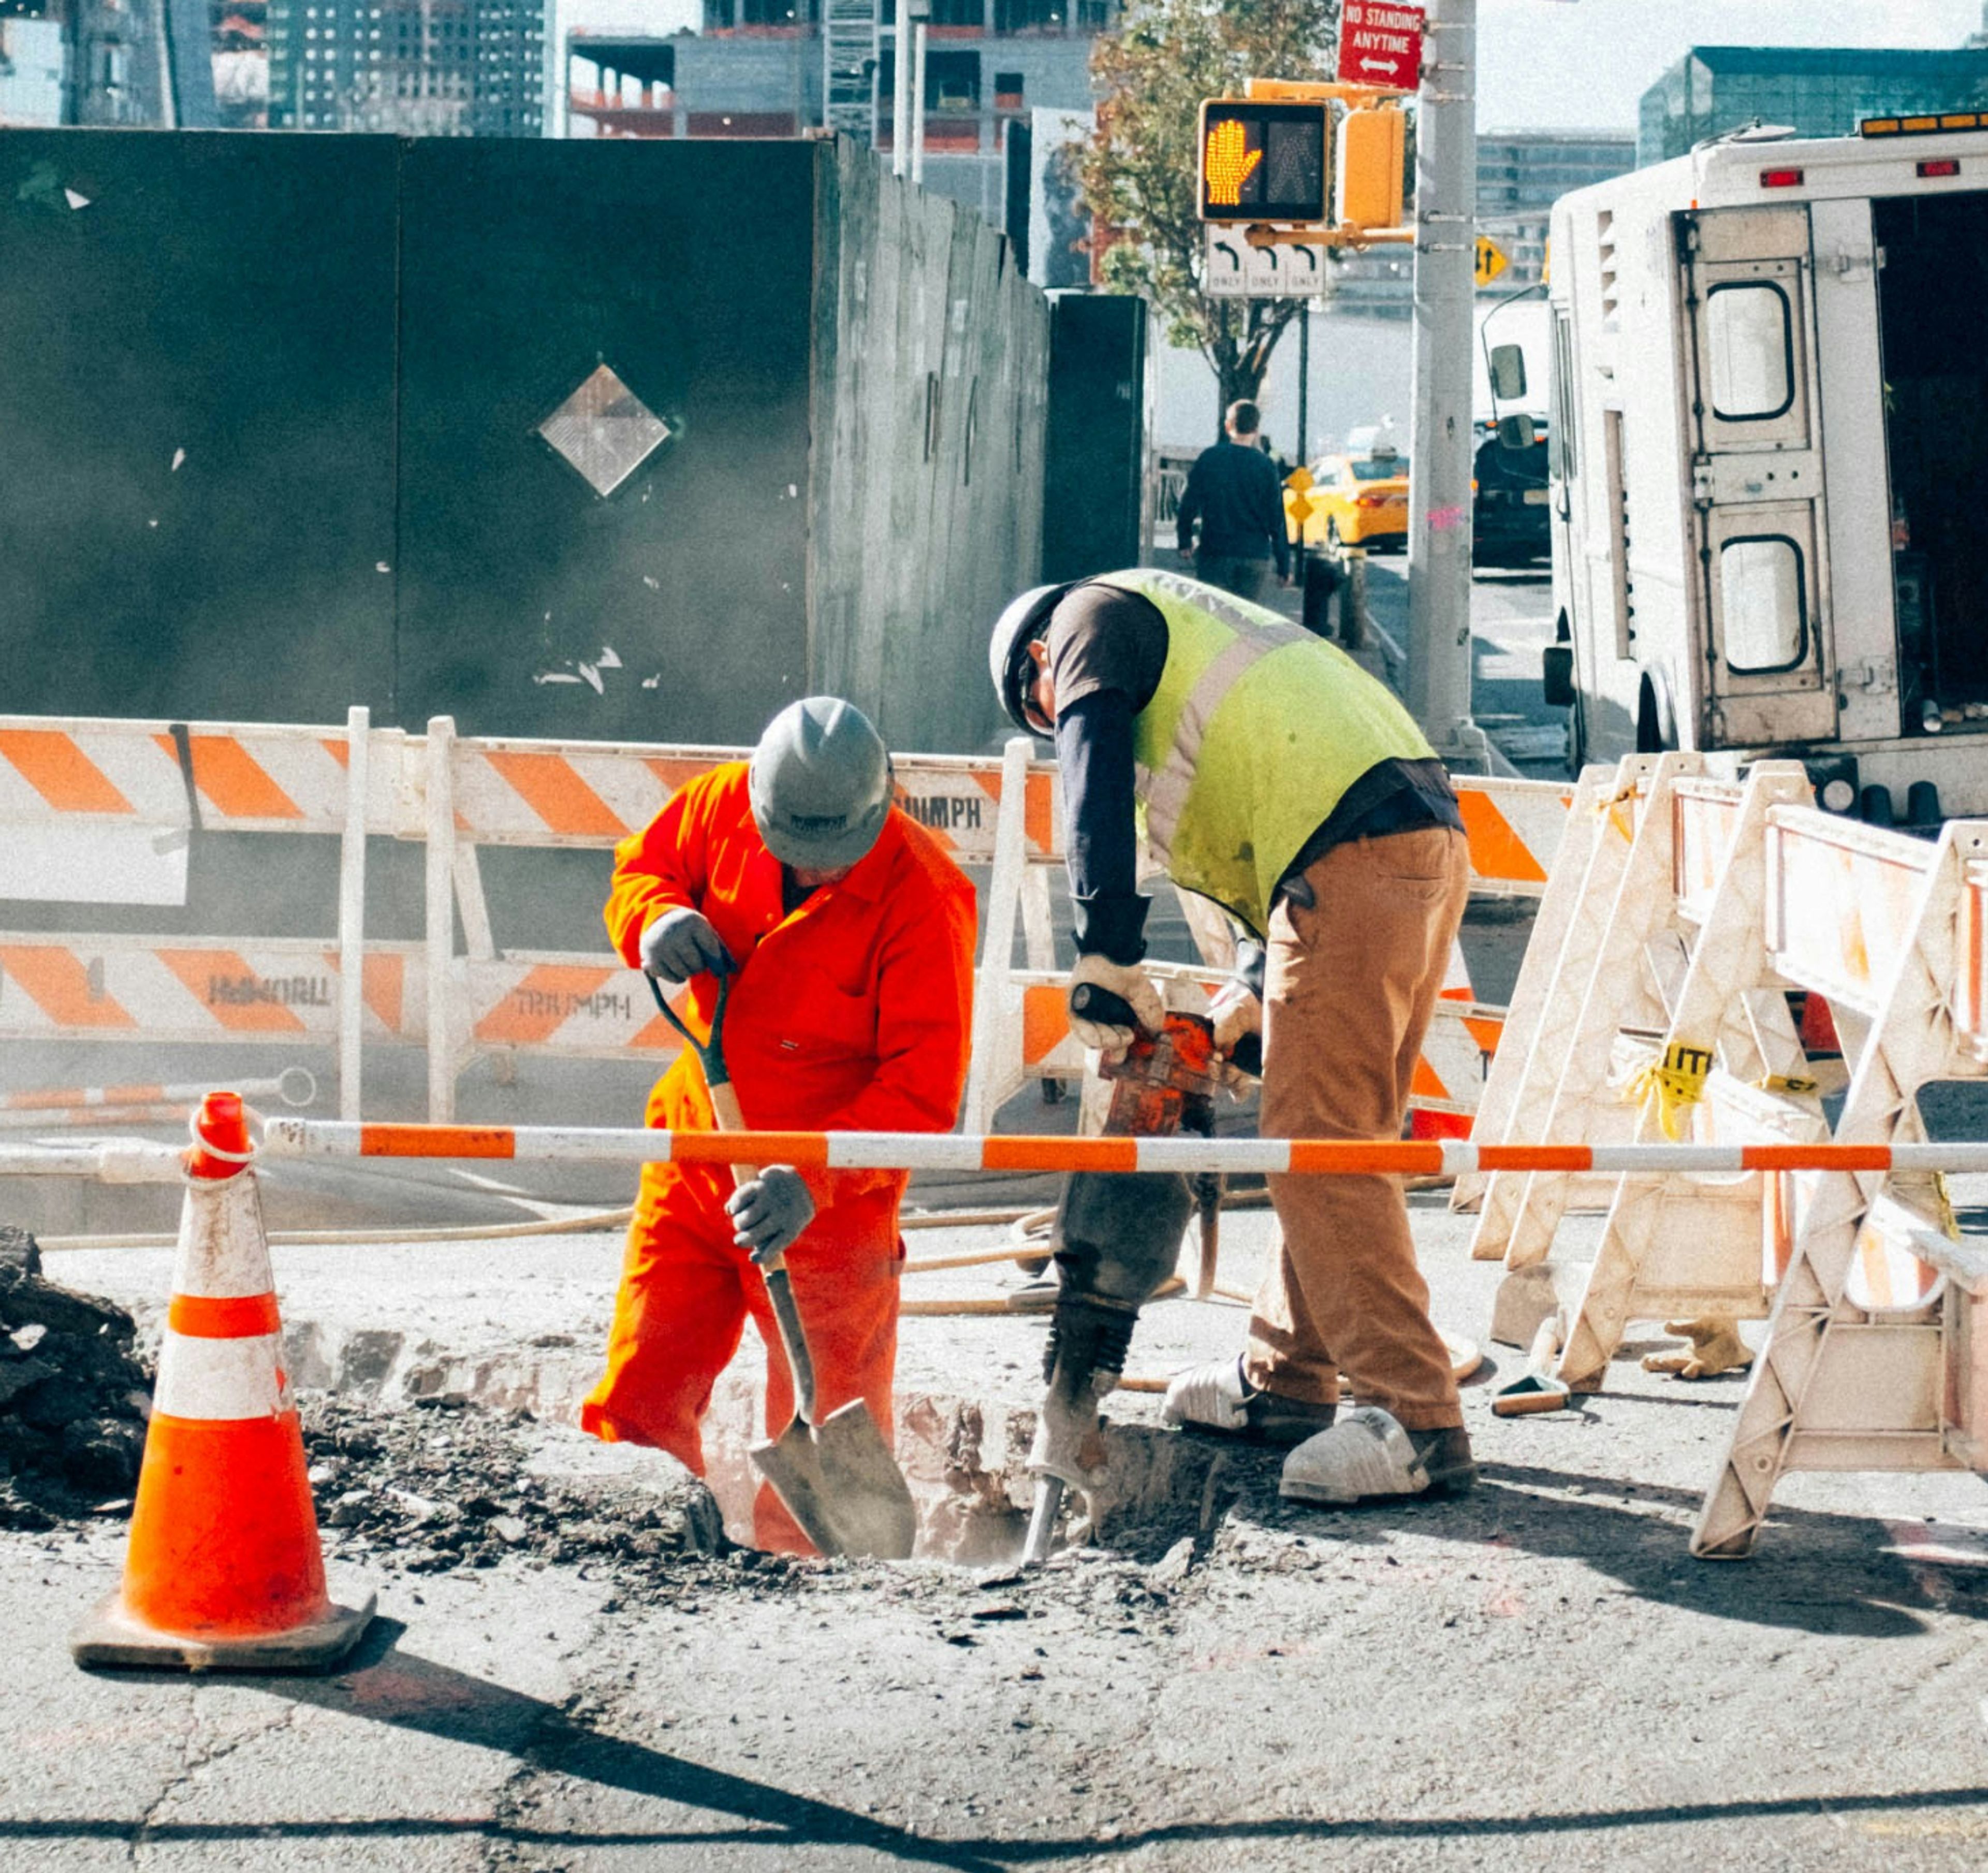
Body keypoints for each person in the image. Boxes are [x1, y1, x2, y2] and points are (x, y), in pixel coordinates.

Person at [987, 571, 1477, 1505]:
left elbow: (1090, 769)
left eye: (1043, 710)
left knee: (1321, 1143)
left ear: (1039, 662)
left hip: (1356, 853)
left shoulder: (1087, 619)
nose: (1056, 725)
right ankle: (1286, 1380)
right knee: (1325, 1129)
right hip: (1402, 838)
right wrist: (1256, 984)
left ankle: (1416, 1419)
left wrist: (1107, 952)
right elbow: (1277, 790)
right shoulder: (1194, 632)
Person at [582, 697, 977, 1552]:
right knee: (648, 1365)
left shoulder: (924, 896)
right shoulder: (721, 803)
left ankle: (812, 1581)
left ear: (875, 811)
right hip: (698, 1151)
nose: (809, 868)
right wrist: (653, 919)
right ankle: (629, 1535)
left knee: (826, 1396)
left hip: (828, 1205)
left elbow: (922, 1093)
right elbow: (637, 870)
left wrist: (814, 1179)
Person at [1175, 399, 1292, 602]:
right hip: (1255, 555)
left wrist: (1185, 539)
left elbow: (1189, 503)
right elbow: (1276, 519)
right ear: (1256, 429)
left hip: (1215, 551)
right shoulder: (1266, 466)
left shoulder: (1210, 459)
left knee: (1214, 620)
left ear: (1228, 426)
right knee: (1243, 621)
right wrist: (1284, 565)